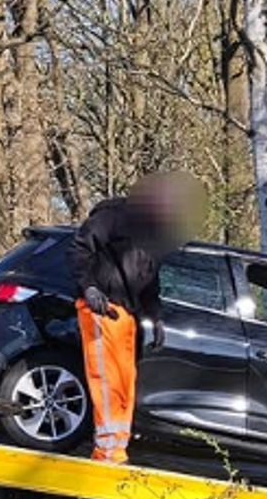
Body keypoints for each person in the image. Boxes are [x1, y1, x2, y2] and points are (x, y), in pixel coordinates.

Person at [70, 171, 206, 464]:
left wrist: (155, 316)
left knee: (124, 381)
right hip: (102, 307)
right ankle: (107, 451)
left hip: (127, 315)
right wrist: (90, 287)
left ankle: (116, 449)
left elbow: (149, 282)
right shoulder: (114, 216)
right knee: (106, 381)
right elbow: (82, 247)